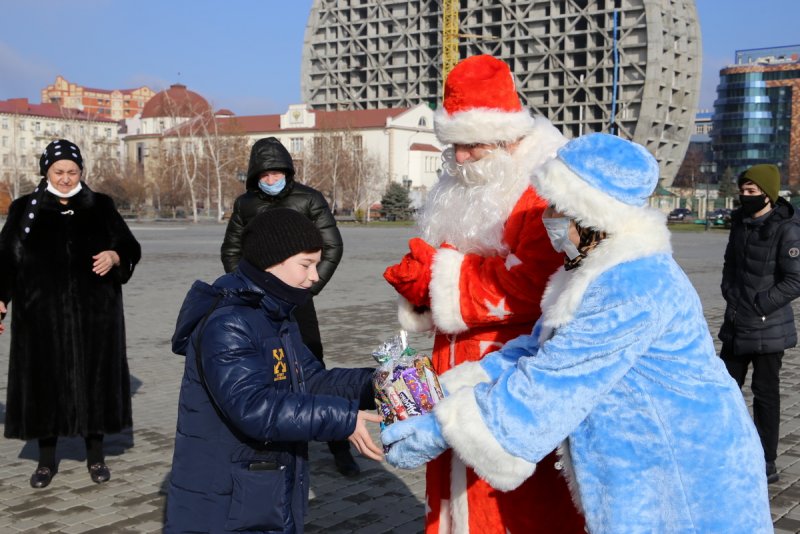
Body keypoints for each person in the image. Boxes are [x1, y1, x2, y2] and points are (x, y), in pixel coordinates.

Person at [382, 133, 774, 533]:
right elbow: (535, 352)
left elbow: (551, 385)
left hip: (681, 473)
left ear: (590, 217)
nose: (546, 215)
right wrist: (447, 390)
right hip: (645, 461)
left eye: (557, 207)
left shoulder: (629, 283)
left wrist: (436, 428)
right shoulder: (589, 273)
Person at [383, 54, 584, 533]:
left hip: (508, 370)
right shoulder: (461, 180)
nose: (459, 159)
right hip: (451, 362)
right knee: (454, 497)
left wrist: (439, 276)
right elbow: (445, 263)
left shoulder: (540, 188)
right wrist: (421, 288)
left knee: (509, 508)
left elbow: (532, 283)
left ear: (506, 136)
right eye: (452, 146)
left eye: (470, 146)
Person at [166, 208, 382, 533]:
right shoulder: (230, 323)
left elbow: (311, 381)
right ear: (272, 260)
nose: (315, 276)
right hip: (227, 498)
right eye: (306, 264)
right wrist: (342, 418)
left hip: (261, 486)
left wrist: (375, 383)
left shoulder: (275, 315)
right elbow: (254, 408)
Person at [0, 139, 141, 489]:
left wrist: (115, 255)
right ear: (46, 171)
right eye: (58, 171)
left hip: (96, 316)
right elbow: (5, 261)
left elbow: (129, 245)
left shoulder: (100, 205)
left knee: (93, 382)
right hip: (39, 318)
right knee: (44, 385)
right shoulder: (24, 209)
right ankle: (46, 463)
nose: (65, 178)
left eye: (72, 172)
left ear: (81, 172)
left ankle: (96, 457)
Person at [220, 137, 358, 477]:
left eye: (276, 173)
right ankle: (271, 443)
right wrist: (249, 290)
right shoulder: (245, 204)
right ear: (254, 176)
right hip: (257, 304)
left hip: (298, 302)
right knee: (264, 371)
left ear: (288, 171)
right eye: (264, 175)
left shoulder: (309, 199)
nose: (270, 180)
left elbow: (332, 245)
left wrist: (307, 288)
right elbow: (231, 250)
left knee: (312, 370)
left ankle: (339, 444)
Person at [719, 163, 800, 484]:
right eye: (742, 191)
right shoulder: (740, 222)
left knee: (765, 395)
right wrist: (730, 294)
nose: (744, 196)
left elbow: (795, 280)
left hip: (768, 327)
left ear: (767, 194)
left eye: (751, 192)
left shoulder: (787, 228)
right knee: (724, 390)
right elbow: (729, 265)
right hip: (736, 324)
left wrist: (759, 304)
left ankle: (767, 461)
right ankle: (725, 450)